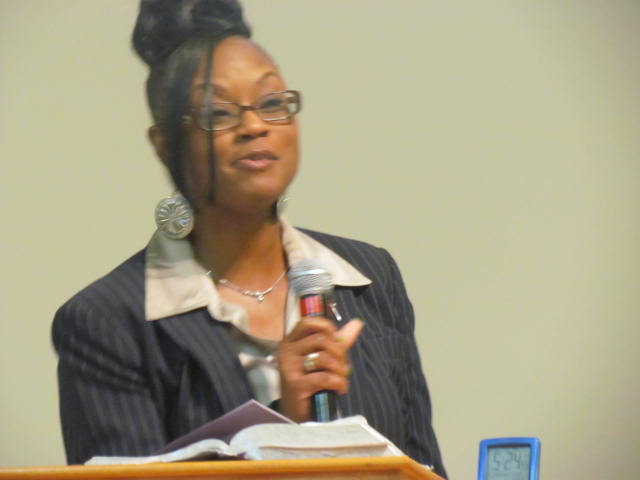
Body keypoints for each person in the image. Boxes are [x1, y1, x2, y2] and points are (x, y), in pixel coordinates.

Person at [52, 0, 447, 477]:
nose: (255, 126)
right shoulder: (109, 322)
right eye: (218, 112)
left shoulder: (370, 278)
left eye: (272, 104)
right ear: (164, 145)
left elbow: (424, 465)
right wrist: (285, 426)